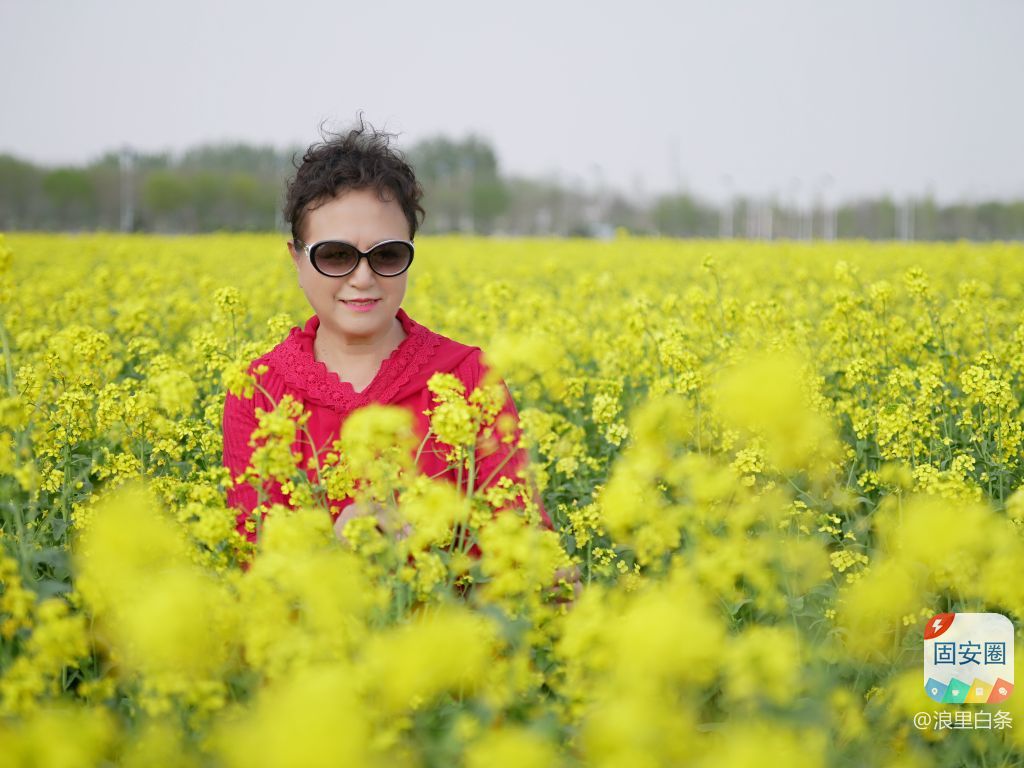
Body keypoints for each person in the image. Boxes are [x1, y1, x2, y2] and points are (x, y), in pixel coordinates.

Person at [222, 116, 579, 601]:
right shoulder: (259, 389)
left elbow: (523, 543)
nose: (363, 278)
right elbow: (253, 569)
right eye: (334, 256)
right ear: (296, 258)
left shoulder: (468, 377)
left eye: (387, 256)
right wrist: (336, 545)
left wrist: (441, 551)